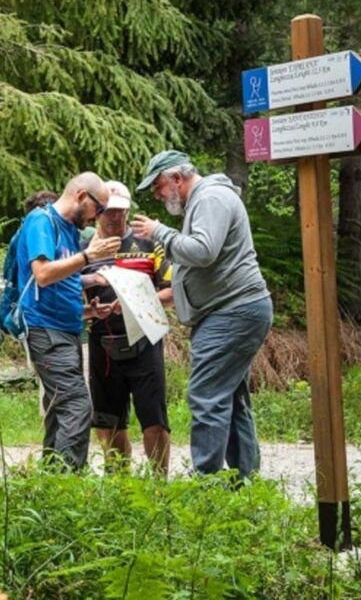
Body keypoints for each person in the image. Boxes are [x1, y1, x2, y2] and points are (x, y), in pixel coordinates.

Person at [131, 151, 272, 478]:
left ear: (176, 178)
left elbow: (204, 251)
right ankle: (245, 480)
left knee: (206, 396)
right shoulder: (204, 200)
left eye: (158, 186)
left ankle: (205, 482)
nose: (157, 195)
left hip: (231, 312)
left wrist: (160, 232)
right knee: (231, 398)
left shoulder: (210, 198)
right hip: (231, 311)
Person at [15, 172, 121, 471]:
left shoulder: (70, 231)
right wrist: (88, 257)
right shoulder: (41, 221)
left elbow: (62, 286)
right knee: (77, 405)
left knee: (59, 409)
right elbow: (43, 274)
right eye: (99, 208)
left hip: (68, 330)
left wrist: (90, 312)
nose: (98, 217)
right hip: (45, 331)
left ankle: (51, 480)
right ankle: (67, 481)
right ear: (82, 196)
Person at [81, 181, 174, 475]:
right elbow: (67, 290)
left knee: (155, 420)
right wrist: (88, 309)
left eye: (120, 211)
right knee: (108, 421)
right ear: (97, 212)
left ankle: (159, 486)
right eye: (108, 211)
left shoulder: (149, 244)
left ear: (128, 210)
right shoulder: (84, 250)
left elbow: (172, 291)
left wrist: (135, 303)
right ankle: (120, 485)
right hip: (102, 343)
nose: (115, 217)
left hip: (145, 339)